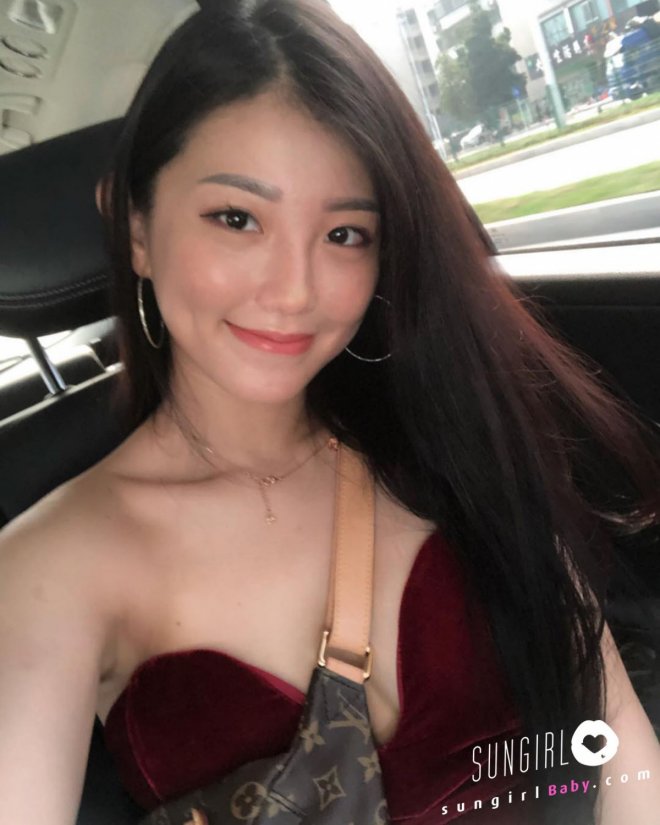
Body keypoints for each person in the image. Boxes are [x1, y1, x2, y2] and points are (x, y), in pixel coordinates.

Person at [1, 1, 659, 824]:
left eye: (346, 233)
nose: (294, 291)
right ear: (136, 227)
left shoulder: (452, 435)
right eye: (236, 218)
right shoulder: (52, 566)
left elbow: (619, 744)